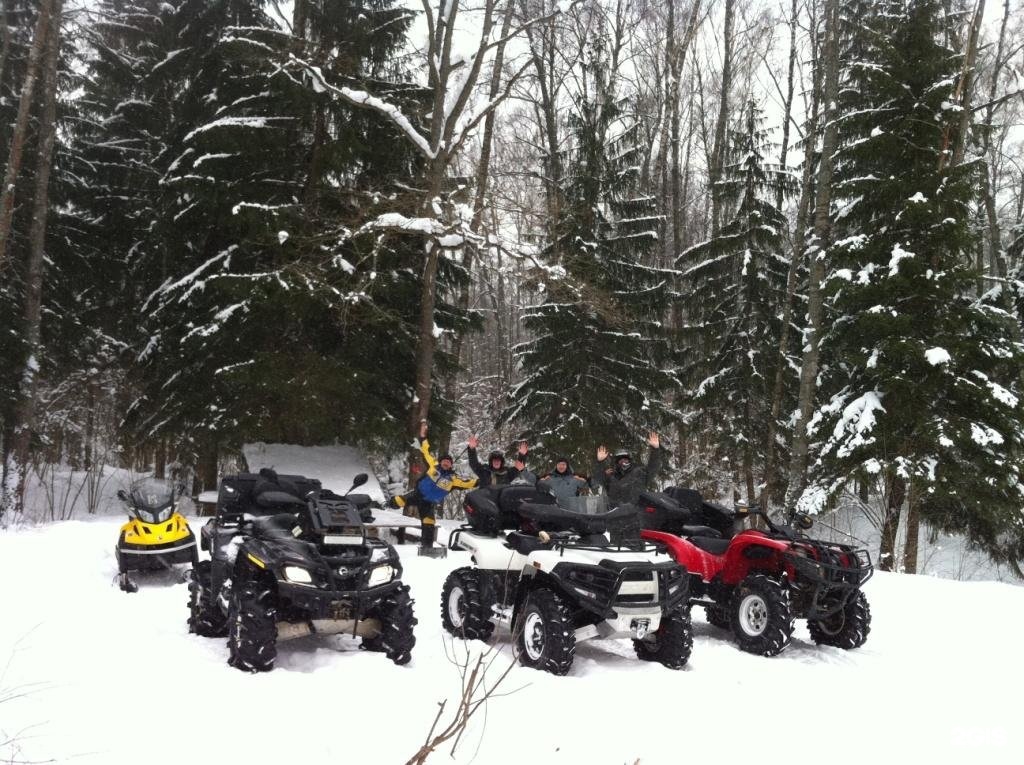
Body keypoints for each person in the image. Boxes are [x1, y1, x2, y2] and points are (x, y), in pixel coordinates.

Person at [390, 422, 477, 548]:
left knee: (429, 523)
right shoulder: (433, 466)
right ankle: (382, 506)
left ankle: (427, 548)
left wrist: (483, 481)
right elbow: (425, 450)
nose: (446, 463)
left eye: (449, 462)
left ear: (451, 465)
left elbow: (469, 483)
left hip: (429, 503)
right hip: (417, 494)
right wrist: (423, 437)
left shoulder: (453, 480)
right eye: (444, 461)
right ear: (440, 462)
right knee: (397, 502)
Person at [591, 432, 664, 507]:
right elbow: (597, 480)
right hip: (614, 515)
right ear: (616, 462)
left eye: (625, 459)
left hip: (636, 513)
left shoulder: (639, 473)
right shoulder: (611, 476)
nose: (623, 462)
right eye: (620, 460)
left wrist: (655, 450)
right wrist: (599, 462)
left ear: (629, 460)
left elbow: (653, 468)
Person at [467, 435, 535, 487]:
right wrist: (471, 449)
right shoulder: (484, 471)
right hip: (485, 502)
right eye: (494, 460)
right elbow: (473, 463)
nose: (496, 462)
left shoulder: (508, 473)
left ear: (502, 462)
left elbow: (519, 467)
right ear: (491, 462)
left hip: (501, 502)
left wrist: (522, 455)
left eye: (498, 460)